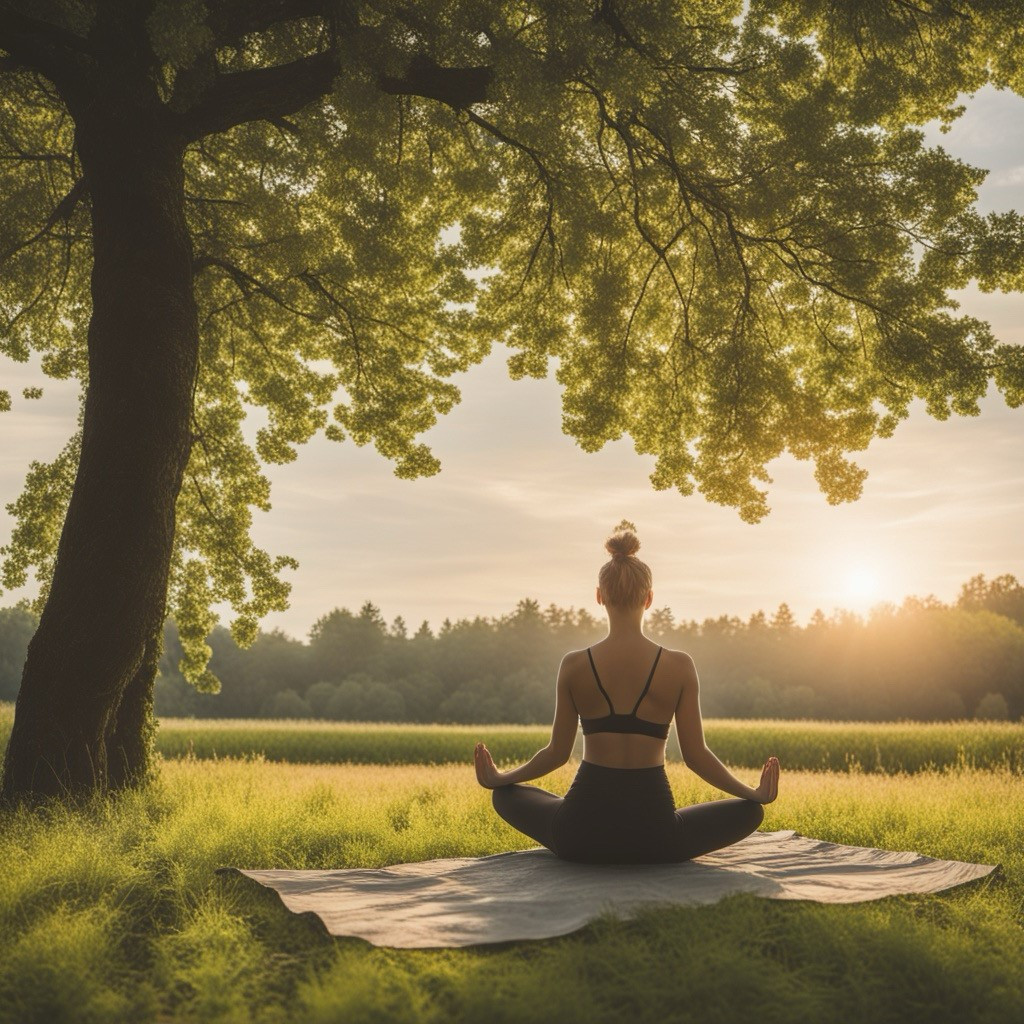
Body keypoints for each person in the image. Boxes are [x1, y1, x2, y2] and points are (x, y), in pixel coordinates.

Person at [473, 521, 780, 864]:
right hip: (657, 839)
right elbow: (696, 756)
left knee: (505, 797)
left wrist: (501, 778)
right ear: (649, 599)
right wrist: (753, 793)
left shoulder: (574, 665)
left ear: (599, 596)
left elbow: (557, 753)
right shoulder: (679, 666)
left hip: (578, 836)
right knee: (750, 812)